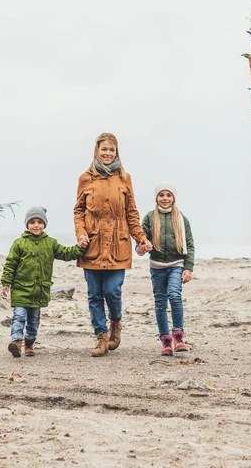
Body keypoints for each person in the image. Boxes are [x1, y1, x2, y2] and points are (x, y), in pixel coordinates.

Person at [74, 132, 152, 357]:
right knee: (94, 295)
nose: (107, 153)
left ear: (116, 152)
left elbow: (131, 213)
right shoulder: (85, 178)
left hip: (118, 246)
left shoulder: (125, 178)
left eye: (111, 150)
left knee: (112, 290)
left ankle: (115, 323)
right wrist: (80, 233)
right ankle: (101, 336)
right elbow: (78, 211)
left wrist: (141, 238)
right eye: (104, 149)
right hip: (92, 245)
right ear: (96, 151)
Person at [1, 206, 86, 358]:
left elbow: (66, 253)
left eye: (40, 222)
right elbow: (10, 264)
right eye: (32, 222)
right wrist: (6, 282)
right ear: (27, 225)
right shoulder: (19, 243)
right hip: (21, 288)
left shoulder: (51, 243)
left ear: (44, 224)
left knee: (34, 320)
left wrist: (80, 248)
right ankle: (16, 342)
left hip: (39, 290)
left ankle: (29, 343)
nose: (36, 225)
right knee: (19, 316)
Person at [137, 183, 194, 355]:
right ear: (156, 198)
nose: (165, 198)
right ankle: (166, 341)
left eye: (168, 195)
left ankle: (178, 335)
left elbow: (190, 244)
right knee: (160, 302)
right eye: (161, 195)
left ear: (173, 198)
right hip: (157, 267)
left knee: (175, 296)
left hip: (176, 264)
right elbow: (140, 242)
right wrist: (141, 248)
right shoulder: (149, 218)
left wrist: (188, 268)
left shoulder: (181, 219)